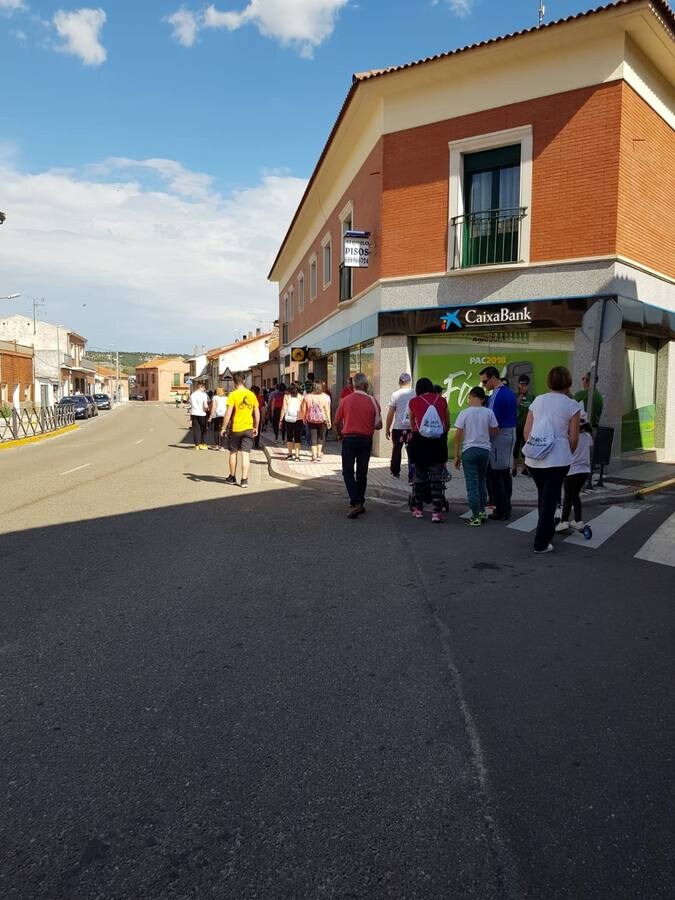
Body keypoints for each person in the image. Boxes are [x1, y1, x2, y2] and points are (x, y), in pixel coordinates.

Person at [523, 366, 581, 554]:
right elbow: (574, 438)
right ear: (568, 382)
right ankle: (541, 541)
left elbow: (526, 432)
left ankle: (545, 533)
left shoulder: (538, 401)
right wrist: (566, 453)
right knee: (550, 498)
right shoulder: (572, 405)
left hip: (534, 460)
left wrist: (538, 448)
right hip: (558, 459)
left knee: (543, 496)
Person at [333, 372, 382, 519]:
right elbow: (379, 425)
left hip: (349, 439)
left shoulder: (346, 400)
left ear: (353, 385)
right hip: (366, 440)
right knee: (362, 472)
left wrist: (339, 434)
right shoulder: (373, 401)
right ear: (366, 385)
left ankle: (356, 502)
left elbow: (336, 421)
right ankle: (359, 501)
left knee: (348, 472)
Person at [407, 377, 451, 523]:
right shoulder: (442, 401)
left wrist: (419, 432)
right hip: (437, 443)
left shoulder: (413, 402)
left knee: (419, 477)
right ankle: (436, 512)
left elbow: (412, 423)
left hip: (419, 442)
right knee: (436, 478)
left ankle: (418, 509)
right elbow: (447, 423)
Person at [454, 387, 499, 526]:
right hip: (484, 450)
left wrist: (457, 455)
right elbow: (495, 430)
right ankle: (482, 511)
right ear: (483, 398)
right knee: (481, 481)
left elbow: (458, 435)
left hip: (469, 450)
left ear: (472, 396)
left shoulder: (464, 413)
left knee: (472, 484)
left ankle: (475, 516)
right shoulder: (489, 412)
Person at [479, 366, 517, 521]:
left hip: (500, 436)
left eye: (485, 381)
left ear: (494, 378)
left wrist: (485, 438)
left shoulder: (496, 395)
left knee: (495, 474)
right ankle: (506, 505)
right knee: (505, 473)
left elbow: (493, 422)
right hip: (511, 432)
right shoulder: (509, 393)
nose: (483, 385)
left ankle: (502, 510)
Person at [556, 410, 593, 533]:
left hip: (572, 471)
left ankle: (564, 521)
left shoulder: (570, 437)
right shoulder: (588, 437)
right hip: (585, 471)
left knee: (568, 496)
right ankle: (578, 521)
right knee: (575, 495)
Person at [221, 373, 260, 488]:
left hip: (236, 428)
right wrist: (256, 427)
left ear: (234, 382)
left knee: (233, 453)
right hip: (248, 428)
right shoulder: (251, 394)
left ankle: (232, 477)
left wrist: (223, 427)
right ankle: (244, 480)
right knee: (246, 454)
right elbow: (256, 413)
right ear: (244, 381)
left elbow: (228, 413)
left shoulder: (233, 395)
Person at [385, 373, 415, 480]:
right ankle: (412, 474)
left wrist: (387, 428)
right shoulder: (415, 393)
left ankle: (395, 472)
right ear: (410, 382)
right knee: (412, 451)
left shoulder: (395, 394)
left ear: (399, 382)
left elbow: (390, 413)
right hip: (412, 428)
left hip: (398, 427)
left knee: (397, 450)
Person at [301, 381, 331, 461]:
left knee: (313, 437)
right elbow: (327, 410)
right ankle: (319, 454)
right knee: (320, 437)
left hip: (311, 420)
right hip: (322, 419)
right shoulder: (326, 397)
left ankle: (314, 456)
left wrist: (304, 418)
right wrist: (329, 421)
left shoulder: (307, 397)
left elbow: (304, 409)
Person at [512, 375, 534, 476]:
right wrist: (521, 395)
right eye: (521, 384)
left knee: (526, 446)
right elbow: (514, 406)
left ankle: (525, 468)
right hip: (517, 425)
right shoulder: (515, 395)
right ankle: (514, 468)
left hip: (528, 426)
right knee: (516, 446)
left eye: (525, 385)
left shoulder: (532, 397)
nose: (523, 386)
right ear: (519, 385)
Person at [280, 384, 303, 461]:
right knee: (297, 437)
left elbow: (283, 408)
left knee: (289, 436)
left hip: (288, 418)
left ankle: (290, 454)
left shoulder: (286, 397)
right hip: (299, 418)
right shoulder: (301, 397)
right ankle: (297, 456)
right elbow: (303, 408)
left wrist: (280, 419)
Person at [188, 381, 209, 449]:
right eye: (204, 387)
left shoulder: (192, 395)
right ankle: (202, 444)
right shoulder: (204, 395)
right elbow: (205, 406)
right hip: (202, 414)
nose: (204, 389)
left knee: (196, 429)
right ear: (200, 387)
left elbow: (191, 405)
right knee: (203, 429)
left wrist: (190, 417)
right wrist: (207, 409)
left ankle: (197, 445)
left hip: (194, 413)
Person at [209, 386, 228, 451]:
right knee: (224, 429)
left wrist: (211, 416)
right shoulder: (226, 398)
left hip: (217, 415)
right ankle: (222, 446)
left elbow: (214, 407)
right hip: (224, 415)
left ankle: (217, 445)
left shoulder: (215, 397)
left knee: (216, 430)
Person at [251, 385, 264, 449]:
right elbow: (262, 408)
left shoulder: (248, 397)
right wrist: (263, 417)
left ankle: (249, 443)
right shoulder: (260, 398)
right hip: (257, 415)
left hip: (249, 415)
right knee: (257, 429)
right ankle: (256, 444)